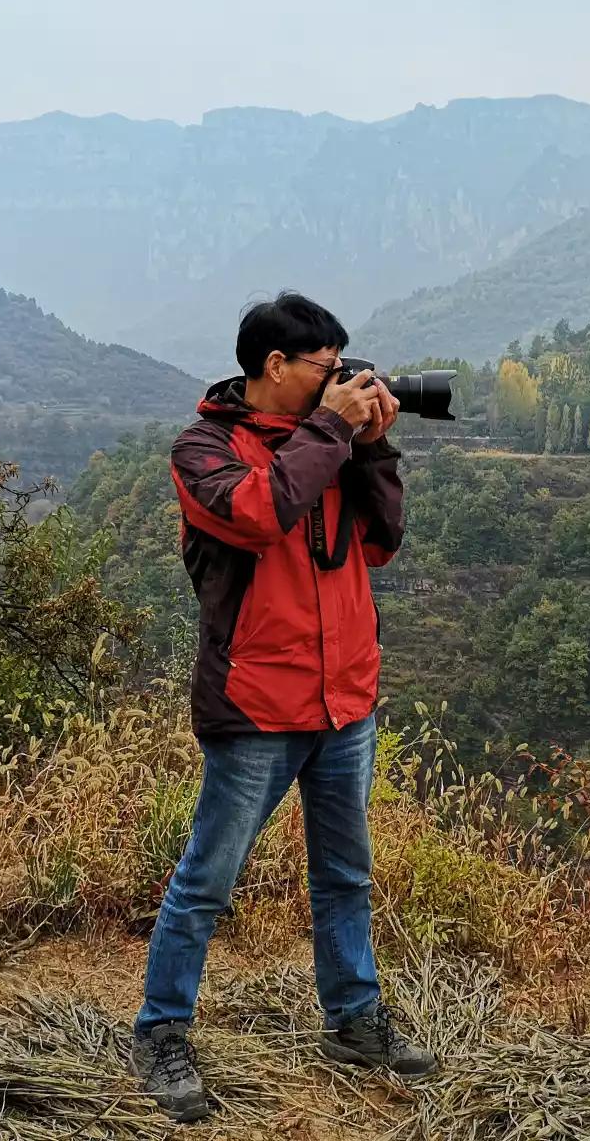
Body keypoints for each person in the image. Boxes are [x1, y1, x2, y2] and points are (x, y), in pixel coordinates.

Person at [130, 292, 438, 1121]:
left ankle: (354, 1018)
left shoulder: (329, 444)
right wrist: (331, 432)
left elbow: (379, 543)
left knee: (345, 875)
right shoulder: (204, 449)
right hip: (259, 703)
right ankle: (161, 1032)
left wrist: (371, 448)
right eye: (326, 370)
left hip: (344, 700)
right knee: (208, 880)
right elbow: (259, 513)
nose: (340, 381)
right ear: (275, 367)